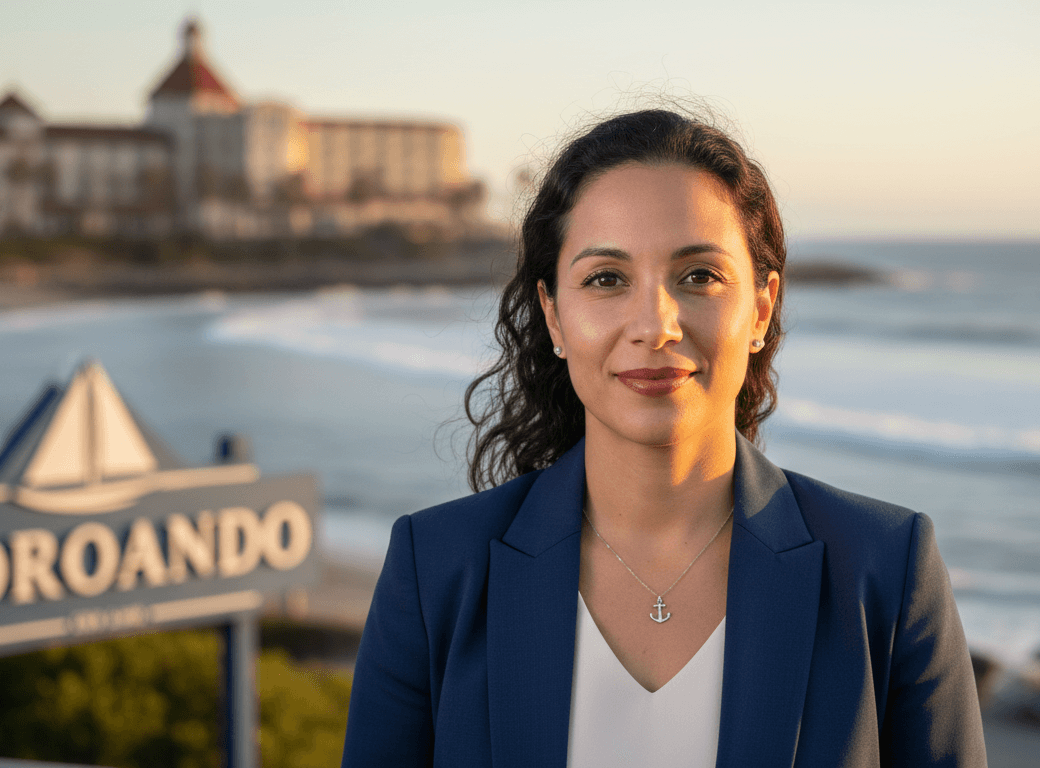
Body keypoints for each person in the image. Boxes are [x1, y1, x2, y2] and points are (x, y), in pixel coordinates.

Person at [341, 109, 987, 767]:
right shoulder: (435, 570)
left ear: (762, 308)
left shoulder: (885, 568)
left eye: (699, 275)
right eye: (607, 279)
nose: (655, 324)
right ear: (554, 315)